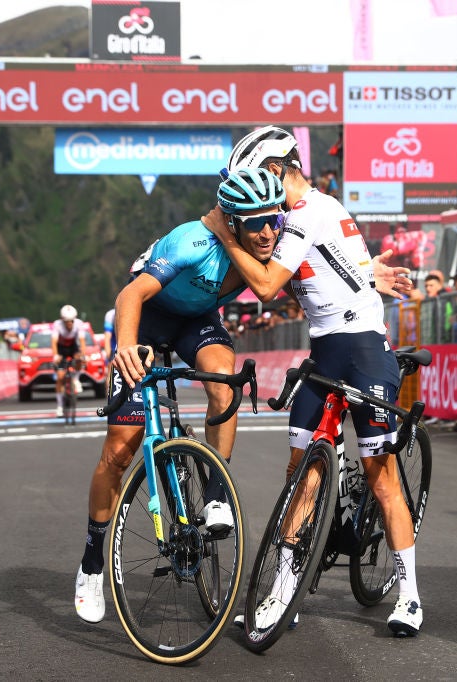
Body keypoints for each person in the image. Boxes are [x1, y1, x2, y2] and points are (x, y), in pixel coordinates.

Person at [202, 125, 423, 636]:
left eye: (258, 180)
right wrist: (371, 276)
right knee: (299, 476)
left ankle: (409, 595)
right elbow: (337, 268)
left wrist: (218, 231)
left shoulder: (312, 211)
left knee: (381, 477)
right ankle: (284, 591)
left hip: (365, 352)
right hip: (324, 353)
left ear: (278, 171)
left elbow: (265, 287)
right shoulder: (291, 216)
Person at [75, 168, 290, 624]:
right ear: (231, 221)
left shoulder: (268, 245)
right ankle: (92, 563)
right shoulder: (191, 242)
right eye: (255, 222)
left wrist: (372, 275)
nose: (268, 231)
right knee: (118, 452)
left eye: (274, 219)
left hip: (197, 322)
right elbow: (130, 296)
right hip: (149, 318)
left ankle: (215, 494)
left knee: (222, 379)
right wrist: (127, 348)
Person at [51, 304, 87, 417]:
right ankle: (60, 406)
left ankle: (76, 378)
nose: (69, 324)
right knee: (60, 377)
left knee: (80, 359)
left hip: (72, 347)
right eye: (66, 321)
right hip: (61, 349)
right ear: (62, 320)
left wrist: (83, 355)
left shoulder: (79, 324)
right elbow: (53, 342)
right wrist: (55, 355)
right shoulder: (57, 325)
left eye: (71, 321)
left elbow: (82, 341)